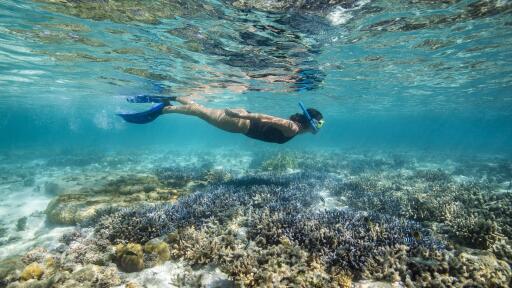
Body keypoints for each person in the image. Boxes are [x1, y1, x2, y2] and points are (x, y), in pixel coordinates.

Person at [117, 96, 324, 144]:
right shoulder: (293, 128)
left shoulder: (293, 127)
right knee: (199, 112)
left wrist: (244, 114)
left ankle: (172, 96)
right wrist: (241, 115)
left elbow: (266, 119)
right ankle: (163, 110)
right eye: (316, 127)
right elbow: (265, 117)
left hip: (243, 120)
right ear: (309, 123)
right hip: (241, 122)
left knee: (201, 109)